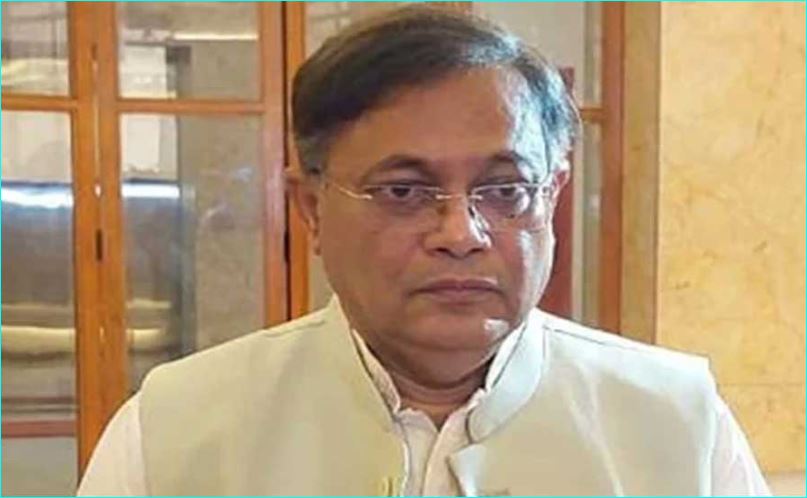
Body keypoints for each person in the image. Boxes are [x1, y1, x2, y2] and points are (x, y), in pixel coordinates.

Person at [77, 6, 770, 496]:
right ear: (310, 207)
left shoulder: (675, 421)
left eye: (505, 189)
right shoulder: (174, 430)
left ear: (553, 194)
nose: (461, 233)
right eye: (403, 191)